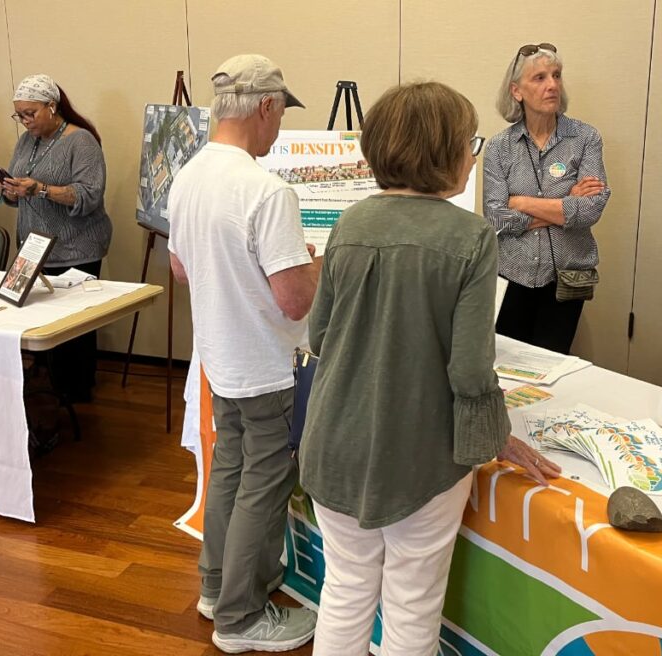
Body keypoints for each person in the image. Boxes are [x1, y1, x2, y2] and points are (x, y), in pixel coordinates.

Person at [298, 81, 561, 656]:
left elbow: (319, 336)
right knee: (413, 605)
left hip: (334, 441)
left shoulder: (349, 225)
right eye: (470, 143)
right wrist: (498, 439)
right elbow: (470, 371)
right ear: (444, 154)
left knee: (343, 590)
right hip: (422, 454)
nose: (474, 154)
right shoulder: (470, 237)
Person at [167, 54, 320, 654]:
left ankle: (216, 588)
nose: (279, 127)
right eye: (280, 114)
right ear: (265, 108)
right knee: (265, 482)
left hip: (219, 357)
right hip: (264, 364)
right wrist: (314, 262)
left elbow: (180, 268)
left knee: (230, 471)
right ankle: (240, 618)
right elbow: (294, 303)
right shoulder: (266, 189)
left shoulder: (188, 176)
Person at [483, 43, 611, 355]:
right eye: (539, 78)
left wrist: (520, 202)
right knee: (508, 367)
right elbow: (496, 216)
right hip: (512, 275)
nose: (552, 85)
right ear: (517, 91)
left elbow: (591, 209)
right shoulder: (500, 147)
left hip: (567, 279)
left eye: (556, 76)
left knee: (553, 366)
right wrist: (567, 201)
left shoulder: (585, 138)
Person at [2, 74, 112, 402]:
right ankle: (53, 382)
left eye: (30, 113)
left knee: (73, 325)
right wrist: (10, 190)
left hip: (76, 245)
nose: (24, 121)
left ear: (52, 107)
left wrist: (40, 189)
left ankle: (76, 390)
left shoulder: (81, 141)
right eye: (19, 114)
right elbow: (18, 184)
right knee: (41, 319)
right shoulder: (27, 140)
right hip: (35, 246)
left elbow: (89, 195)